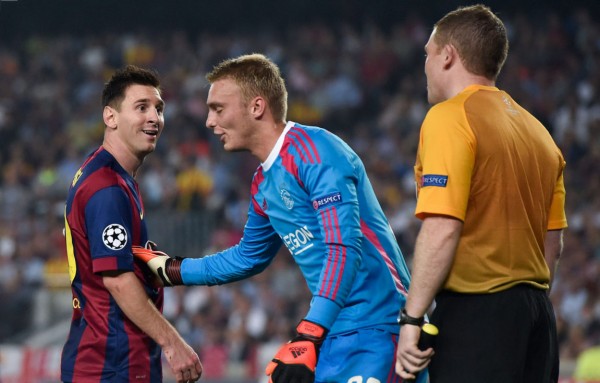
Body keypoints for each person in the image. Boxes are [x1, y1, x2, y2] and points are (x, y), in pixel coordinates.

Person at [134, 53, 425, 383]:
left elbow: (343, 249)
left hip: (378, 332)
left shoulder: (316, 152)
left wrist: (308, 335)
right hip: (331, 334)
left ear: (256, 107)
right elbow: (248, 257)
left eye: (218, 108)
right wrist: (172, 270)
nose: (209, 122)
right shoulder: (263, 182)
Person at [394, 4, 568, 383]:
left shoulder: (449, 117)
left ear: (447, 56)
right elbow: (551, 244)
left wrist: (411, 317)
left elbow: (442, 226)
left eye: (427, 53)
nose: (424, 64)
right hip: (538, 318)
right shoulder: (541, 134)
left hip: (478, 315)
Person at [61, 65, 202, 383]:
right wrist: (173, 343)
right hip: (110, 364)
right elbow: (117, 280)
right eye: (142, 107)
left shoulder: (109, 175)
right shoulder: (107, 187)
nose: (154, 117)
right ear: (110, 117)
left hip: (112, 360)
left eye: (159, 108)